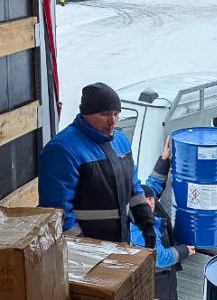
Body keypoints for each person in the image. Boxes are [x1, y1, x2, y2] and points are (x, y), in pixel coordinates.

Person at [39, 82, 156, 248]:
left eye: (116, 114)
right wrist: (80, 247)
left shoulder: (120, 141)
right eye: (105, 114)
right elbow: (57, 208)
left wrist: (146, 220)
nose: (112, 121)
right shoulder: (63, 149)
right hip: (86, 250)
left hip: (119, 244)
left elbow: (133, 185)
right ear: (86, 113)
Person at [130, 137, 195, 300]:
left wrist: (163, 160)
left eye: (151, 199)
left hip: (164, 277)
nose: (150, 203)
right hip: (154, 283)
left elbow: (152, 185)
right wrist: (184, 251)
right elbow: (161, 258)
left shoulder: (147, 204)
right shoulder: (140, 229)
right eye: (145, 201)